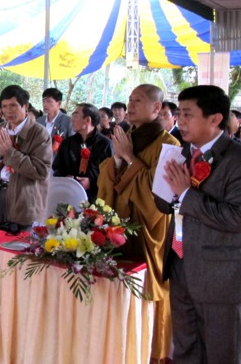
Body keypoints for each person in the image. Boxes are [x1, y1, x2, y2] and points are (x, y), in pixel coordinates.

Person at [97, 84, 179, 362]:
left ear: (157, 107)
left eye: (138, 101)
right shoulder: (126, 137)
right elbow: (108, 180)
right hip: (118, 223)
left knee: (145, 287)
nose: (130, 105)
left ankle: (149, 351)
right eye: (130, 100)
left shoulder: (170, 145)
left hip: (148, 228)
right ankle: (119, 347)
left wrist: (130, 158)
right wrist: (117, 160)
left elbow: (160, 197)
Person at [161, 85, 241, 364]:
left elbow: (236, 217)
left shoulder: (235, 159)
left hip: (219, 274)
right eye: (179, 114)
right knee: (185, 348)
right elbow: (165, 204)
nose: (180, 121)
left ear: (215, 118)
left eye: (188, 114)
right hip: (180, 261)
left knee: (221, 352)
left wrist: (185, 194)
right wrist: (166, 188)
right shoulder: (180, 153)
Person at [0, 85, 52, 229]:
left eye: (13, 105)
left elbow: (41, 171)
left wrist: (10, 153)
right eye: (5, 106)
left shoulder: (39, 133)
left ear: (25, 106)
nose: (8, 111)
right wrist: (0, 155)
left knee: (18, 241)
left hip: (24, 199)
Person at [52, 103, 113, 203]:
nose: (72, 120)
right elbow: (57, 168)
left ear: (87, 120)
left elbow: (111, 175)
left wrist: (92, 182)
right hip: (68, 196)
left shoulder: (105, 144)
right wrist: (66, 178)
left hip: (94, 199)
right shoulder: (67, 143)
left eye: (76, 115)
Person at [36, 88, 74, 154]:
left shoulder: (68, 121)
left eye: (49, 101)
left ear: (58, 103)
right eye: (43, 101)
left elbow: (72, 146)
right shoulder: (39, 121)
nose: (45, 104)